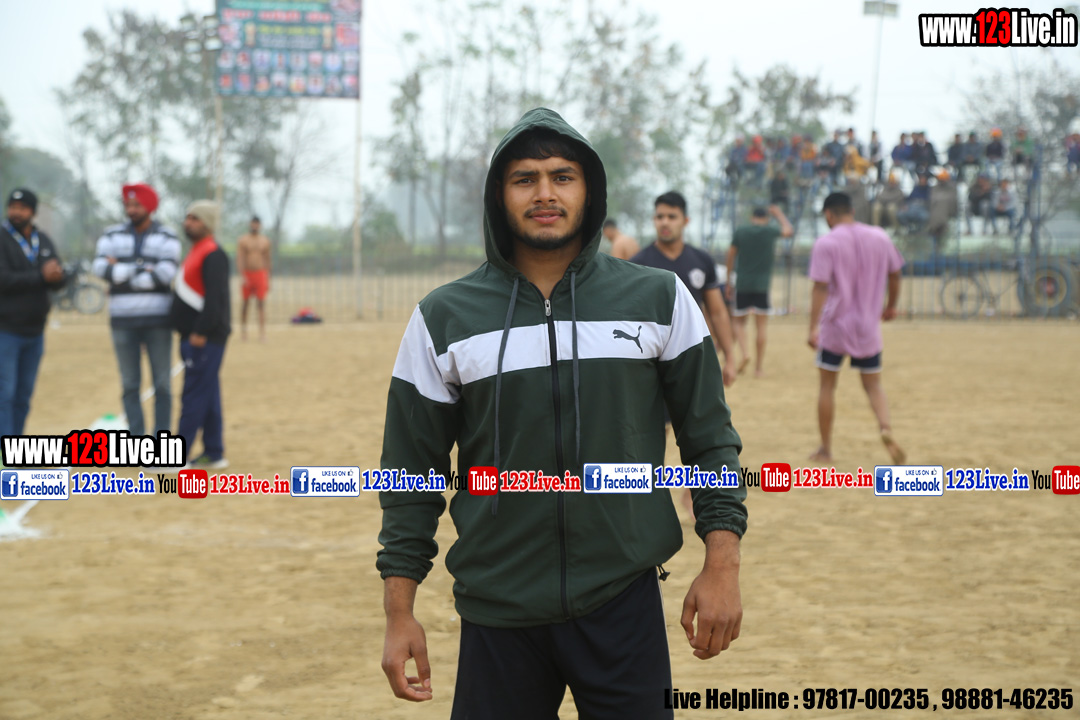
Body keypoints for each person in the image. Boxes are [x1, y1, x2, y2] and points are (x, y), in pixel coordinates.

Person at [377, 109, 747, 720]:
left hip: (622, 604)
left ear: (589, 191)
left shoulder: (658, 299)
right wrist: (399, 611)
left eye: (562, 176)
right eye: (524, 179)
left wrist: (723, 565)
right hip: (497, 612)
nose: (544, 193)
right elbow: (409, 474)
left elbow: (710, 441)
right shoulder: (444, 317)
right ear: (498, 196)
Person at [807, 192, 905, 465]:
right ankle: (885, 428)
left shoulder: (826, 242)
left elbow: (820, 286)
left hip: (835, 326)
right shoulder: (880, 237)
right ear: (851, 210)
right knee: (873, 385)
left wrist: (812, 327)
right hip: (868, 326)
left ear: (829, 214)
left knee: (827, 386)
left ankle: (826, 448)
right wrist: (890, 306)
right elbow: (895, 274)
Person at [93, 184, 181, 438]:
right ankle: (136, 439)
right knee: (130, 385)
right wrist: (143, 268)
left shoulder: (167, 236)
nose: (131, 210)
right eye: (128, 205)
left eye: (137, 205)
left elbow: (165, 274)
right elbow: (99, 268)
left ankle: (162, 439)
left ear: (150, 207)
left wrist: (120, 270)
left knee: (162, 385)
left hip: (158, 322)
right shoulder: (111, 234)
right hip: (122, 322)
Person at [631, 191, 737, 388]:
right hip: (651, 358)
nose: (665, 222)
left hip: (692, 353)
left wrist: (729, 358)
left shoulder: (702, 260)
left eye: (672, 217)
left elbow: (717, 312)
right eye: (660, 217)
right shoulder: (638, 265)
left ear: (685, 221)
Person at [0, 189, 66, 439]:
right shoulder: (2, 238)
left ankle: (15, 446)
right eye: (12, 207)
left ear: (33, 212)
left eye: (22, 208)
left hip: (35, 332)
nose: (16, 212)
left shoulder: (42, 239)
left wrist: (58, 276)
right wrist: (41, 276)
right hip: (5, 331)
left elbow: (56, 279)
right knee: (3, 396)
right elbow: (3, 280)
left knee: (23, 397)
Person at [171, 201, 231, 470]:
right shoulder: (196, 251)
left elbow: (215, 300)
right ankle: (213, 451)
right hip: (193, 336)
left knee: (193, 394)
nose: (188, 223)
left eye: (194, 218)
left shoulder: (213, 254)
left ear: (207, 223)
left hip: (203, 338)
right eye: (187, 217)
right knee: (207, 392)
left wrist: (200, 331)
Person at [725, 205, 793, 377]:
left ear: (752, 217)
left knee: (738, 322)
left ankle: (745, 352)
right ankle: (758, 368)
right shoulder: (770, 231)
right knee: (761, 326)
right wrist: (779, 213)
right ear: (766, 218)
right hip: (762, 285)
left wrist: (728, 280)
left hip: (742, 283)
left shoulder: (741, 231)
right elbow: (788, 231)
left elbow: (731, 254)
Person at [236, 215, 272, 341]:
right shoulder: (243, 240)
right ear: (250, 224)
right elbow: (240, 258)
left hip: (261, 274)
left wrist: (268, 277)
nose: (255, 226)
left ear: (260, 225)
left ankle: (262, 333)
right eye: (253, 223)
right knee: (245, 303)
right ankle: (244, 332)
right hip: (247, 274)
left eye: (257, 224)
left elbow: (267, 259)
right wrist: (242, 275)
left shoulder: (265, 241)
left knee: (261, 303)